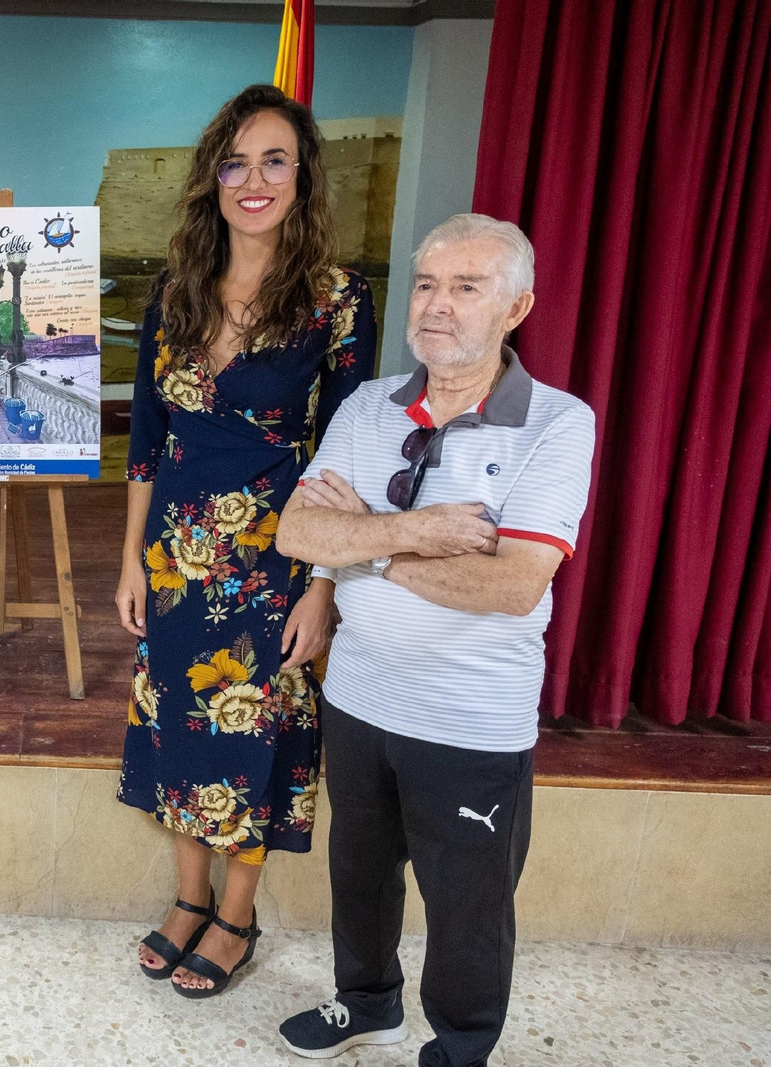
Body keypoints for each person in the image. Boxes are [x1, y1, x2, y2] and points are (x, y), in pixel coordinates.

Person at [273, 213, 595, 1065]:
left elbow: (512, 583)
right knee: (361, 875)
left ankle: (459, 1047)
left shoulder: (559, 424)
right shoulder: (367, 404)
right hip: (359, 699)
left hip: (470, 721)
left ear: (516, 306)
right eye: (425, 284)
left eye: (465, 286)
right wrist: (416, 534)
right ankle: (366, 1002)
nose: (436, 305)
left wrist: (367, 541)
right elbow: (298, 534)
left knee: (467, 905)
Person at [114, 83, 375, 999]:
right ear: (212, 178)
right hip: (178, 559)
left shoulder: (337, 301)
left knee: (259, 735)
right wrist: (131, 565)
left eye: (275, 160)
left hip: (278, 562)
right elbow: (147, 441)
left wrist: (325, 589)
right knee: (183, 728)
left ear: (302, 177)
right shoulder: (173, 291)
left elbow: (348, 458)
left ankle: (237, 914)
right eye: (236, 161)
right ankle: (188, 899)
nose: (253, 179)